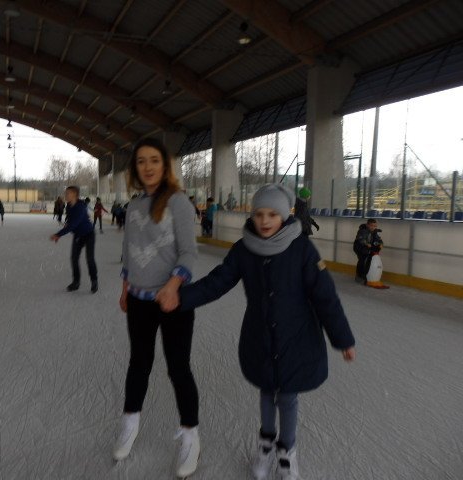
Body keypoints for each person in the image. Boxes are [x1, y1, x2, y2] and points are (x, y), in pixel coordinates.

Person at [178, 184, 356, 480]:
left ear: (285, 216)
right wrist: (181, 298)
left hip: (296, 336)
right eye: (259, 214)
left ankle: (287, 451)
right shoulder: (244, 249)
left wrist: (343, 339)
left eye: (272, 214)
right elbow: (217, 282)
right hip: (259, 335)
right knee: (266, 390)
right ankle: (266, 445)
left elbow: (325, 296)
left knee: (287, 396)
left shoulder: (302, 249)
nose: (264, 220)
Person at [113, 137, 200, 478]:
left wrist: (173, 285)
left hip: (173, 300)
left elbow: (189, 252)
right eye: (141, 161)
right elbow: (128, 252)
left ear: (165, 166)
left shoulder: (178, 202)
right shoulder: (134, 206)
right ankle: (130, 422)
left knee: (178, 368)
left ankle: (190, 435)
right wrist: (125, 288)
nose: (147, 167)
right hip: (138, 299)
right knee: (139, 363)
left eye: (154, 160)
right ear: (135, 169)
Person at [50, 186, 98, 293]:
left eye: (68, 193)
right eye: (65, 193)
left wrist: (58, 235)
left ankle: (94, 280)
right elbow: (70, 220)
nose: (65, 195)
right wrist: (67, 223)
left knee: (90, 259)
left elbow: (74, 224)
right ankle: (76, 282)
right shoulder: (68, 206)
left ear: (75, 194)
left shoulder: (81, 207)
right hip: (78, 236)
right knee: (74, 258)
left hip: (89, 234)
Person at [353, 218, 383, 284]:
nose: (373, 227)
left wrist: (380, 243)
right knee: (362, 260)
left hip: (367, 247)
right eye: (371, 225)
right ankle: (359, 276)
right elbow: (361, 239)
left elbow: (378, 239)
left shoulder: (374, 232)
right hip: (359, 247)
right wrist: (366, 243)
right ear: (367, 225)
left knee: (369, 260)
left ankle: (366, 274)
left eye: (375, 226)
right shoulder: (363, 231)